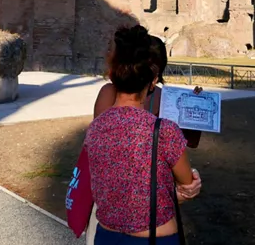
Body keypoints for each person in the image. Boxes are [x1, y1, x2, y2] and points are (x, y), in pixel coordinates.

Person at [85, 25, 199, 244]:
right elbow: (186, 183)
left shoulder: (95, 129)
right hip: (155, 236)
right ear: (153, 79)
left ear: (113, 74)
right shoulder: (164, 131)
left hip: (107, 235)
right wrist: (190, 188)